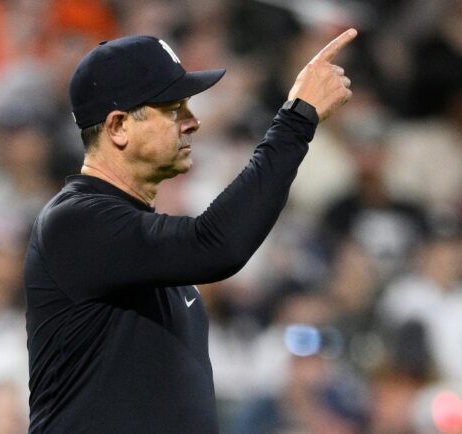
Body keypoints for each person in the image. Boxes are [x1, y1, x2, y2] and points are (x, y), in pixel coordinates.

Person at [24, 30, 357, 433]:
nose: (193, 122)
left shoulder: (136, 242)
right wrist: (297, 119)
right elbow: (217, 245)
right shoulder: (75, 221)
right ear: (118, 127)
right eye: (174, 109)